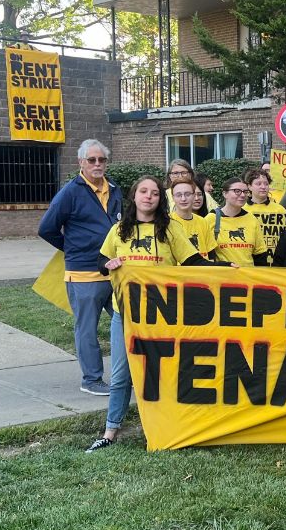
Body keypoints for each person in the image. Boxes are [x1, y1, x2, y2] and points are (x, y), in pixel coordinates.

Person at [85, 176, 231, 452]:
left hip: (163, 315)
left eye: (154, 193)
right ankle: (110, 431)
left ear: (160, 199)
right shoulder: (119, 230)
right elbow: (100, 260)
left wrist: (225, 268)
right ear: (134, 196)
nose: (149, 196)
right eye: (143, 191)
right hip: (126, 315)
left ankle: (170, 426)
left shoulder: (171, 229)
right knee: (120, 375)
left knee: (165, 373)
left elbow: (192, 261)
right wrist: (109, 263)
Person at [37, 138, 122, 396]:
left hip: (115, 271)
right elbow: (46, 228)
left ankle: (127, 374)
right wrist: (72, 248)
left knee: (126, 322)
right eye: (92, 160)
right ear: (81, 163)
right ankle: (92, 379)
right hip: (84, 274)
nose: (97, 164)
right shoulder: (70, 192)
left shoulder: (115, 189)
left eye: (102, 160)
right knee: (87, 329)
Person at [211, 177, 270, 266]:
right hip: (222, 276)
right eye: (237, 191)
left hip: (248, 277)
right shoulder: (211, 219)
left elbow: (260, 254)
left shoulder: (252, 219)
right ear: (225, 193)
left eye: (245, 192)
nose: (242, 195)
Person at [244, 168, 286, 252]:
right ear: (249, 186)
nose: (263, 187)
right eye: (258, 184)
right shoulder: (242, 210)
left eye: (266, 184)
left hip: (276, 259)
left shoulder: (280, 210)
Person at [170, 180, 217, 259]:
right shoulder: (167, 222)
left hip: (202, 269)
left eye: (187, 194)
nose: (183, 198)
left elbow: (211, 253)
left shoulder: (203, 221)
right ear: (173, 198)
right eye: (178, 195)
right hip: (179, 270)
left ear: (193, 196)